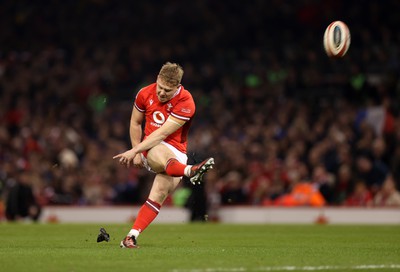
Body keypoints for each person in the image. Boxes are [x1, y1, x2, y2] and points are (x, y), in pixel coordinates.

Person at [113, 62, 214, 248]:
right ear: (157, 79)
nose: (161, 93)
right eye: (160, 87)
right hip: (150, 148)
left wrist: (133, 151)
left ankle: (130, 237)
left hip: (176, 153)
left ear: (177, 87)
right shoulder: (144, 93)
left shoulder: (186, 102)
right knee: (159, 149)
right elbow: (135, 123)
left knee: (158, 195)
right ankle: (190, 171)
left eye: (167, 90)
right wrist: (136, 150)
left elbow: (162, 134)